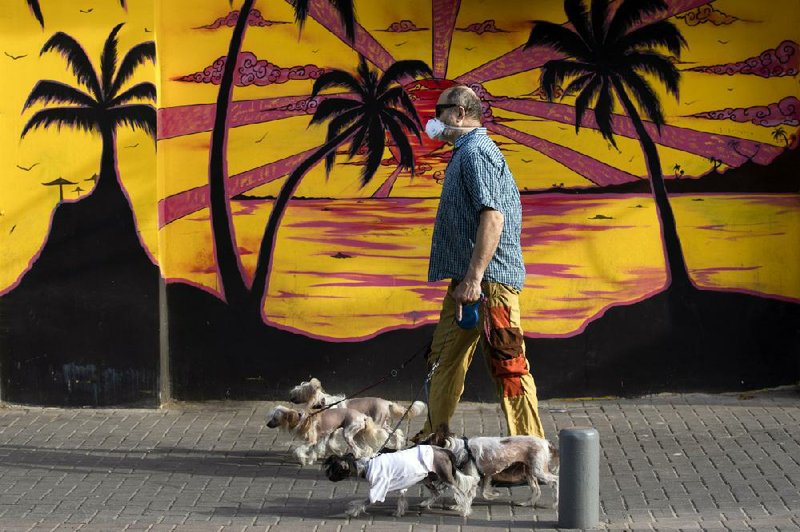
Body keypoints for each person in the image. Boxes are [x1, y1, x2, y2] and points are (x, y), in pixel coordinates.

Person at [416, 85, 545, 439]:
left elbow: (493, 218)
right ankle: (433, 439)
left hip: (488, 285)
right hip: (467, 284)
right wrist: (466, 282)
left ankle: (529, 451)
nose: (433, 119)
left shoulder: (476, 154)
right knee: (442, 360)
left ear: (458, 113)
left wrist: (473, 280)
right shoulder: (464, 152)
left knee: (508, 364)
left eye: (439, 111)